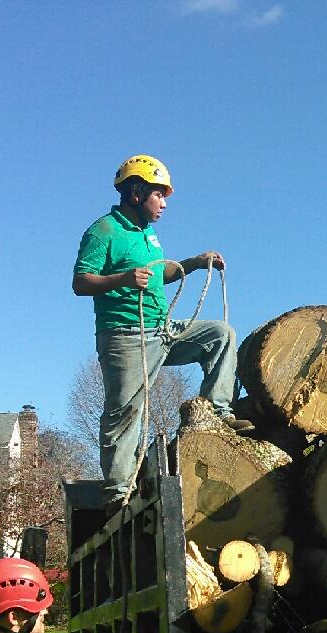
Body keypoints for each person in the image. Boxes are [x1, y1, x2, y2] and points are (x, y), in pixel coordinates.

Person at [72, 153, 251, 507]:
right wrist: (122, 278)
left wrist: (195, 264)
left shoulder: (148, 234)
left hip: (162, 329)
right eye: (160, 195)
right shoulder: (103, 231)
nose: (165, 204)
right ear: (136, 192)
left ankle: (218, 413)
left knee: (220, 335)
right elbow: (80, 282)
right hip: (125, 336)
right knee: (126, 410)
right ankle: (118, 490)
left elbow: (158, 274)